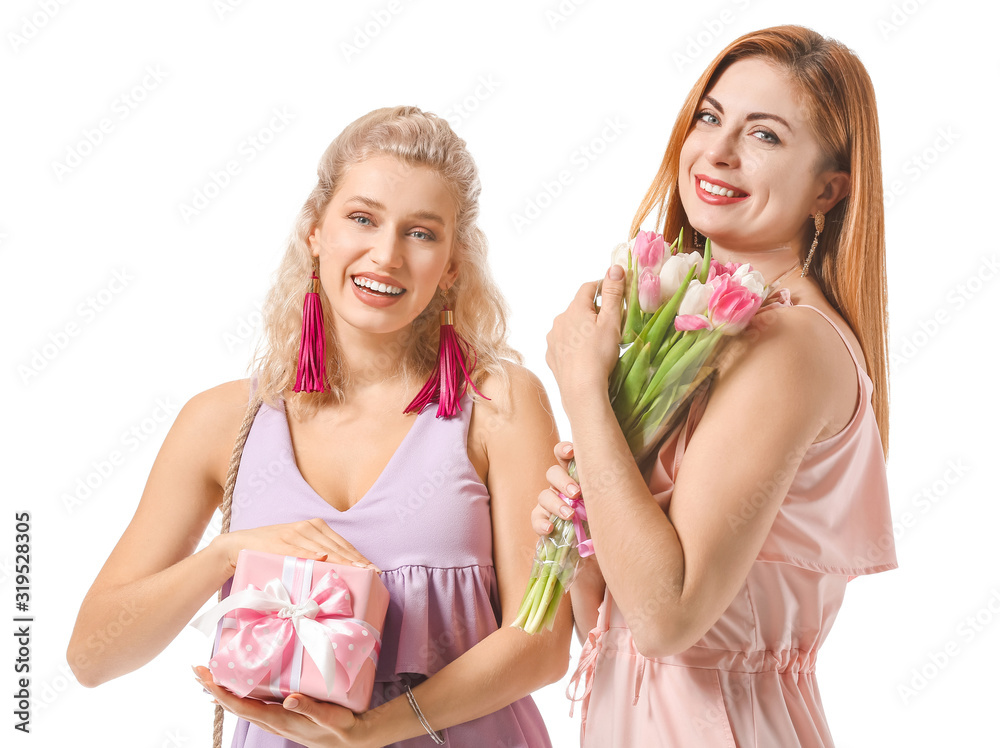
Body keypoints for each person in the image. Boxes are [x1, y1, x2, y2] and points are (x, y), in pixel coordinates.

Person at [68, 106, 572, 747]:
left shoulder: (497, 405)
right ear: (315, 232)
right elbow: (92, 656)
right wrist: (228, 552)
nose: (386, 255)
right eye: (362, 219)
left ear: (451, 265)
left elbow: (543, 643)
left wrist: (371, 731)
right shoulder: (222, 423)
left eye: (421, 233)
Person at [532, 25, 897, 747]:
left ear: (829, 188)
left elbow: (668, 621)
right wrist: (575, 529)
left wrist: (582, 388)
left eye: (764, 136)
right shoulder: (703, 335)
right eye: (710, 116)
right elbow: (611, 623)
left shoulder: (787, 343)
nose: (718, 151)